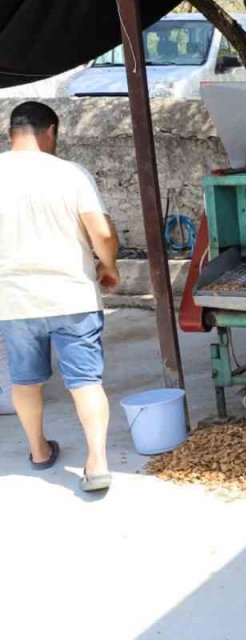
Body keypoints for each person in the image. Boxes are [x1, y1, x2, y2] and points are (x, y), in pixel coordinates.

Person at [0, 101, 120, 492]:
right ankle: (97, 462)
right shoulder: (70, 174)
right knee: (85, 381)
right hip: (72, 296)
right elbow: (100, 233)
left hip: (14, 299)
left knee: (25, 380)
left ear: (10, 133)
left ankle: (37, 451)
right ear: (50, 131)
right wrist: (109, 266)